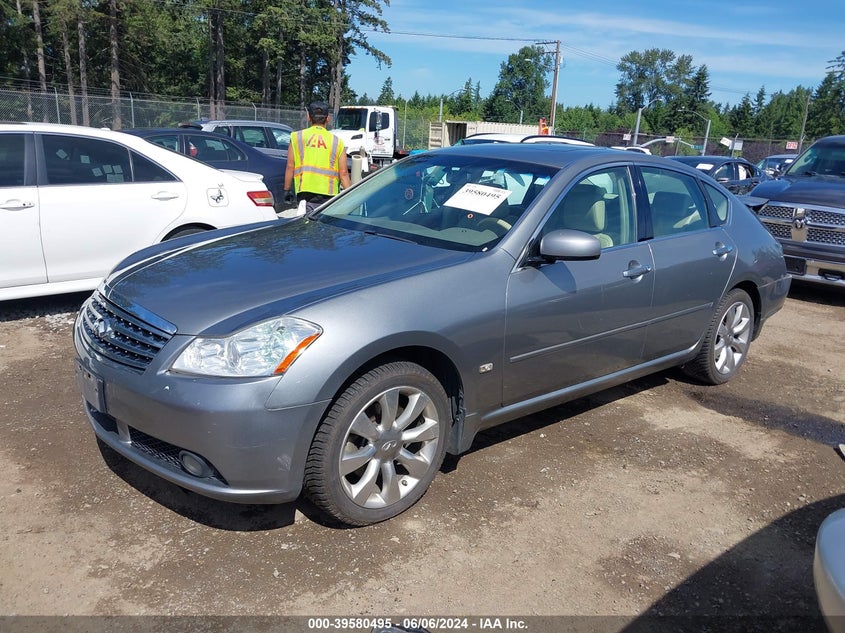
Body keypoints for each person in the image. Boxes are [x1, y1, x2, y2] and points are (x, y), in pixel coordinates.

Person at [283, 101, 351, 215]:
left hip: (304, 191)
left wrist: (286, 189)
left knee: (306, 225)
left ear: (309, 117)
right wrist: (351, 196)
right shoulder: (337, 142)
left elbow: (290, 166)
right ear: (328, 118)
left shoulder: (296, 137)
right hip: (328, 193)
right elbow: (343, 173)